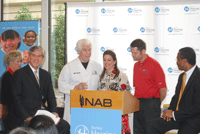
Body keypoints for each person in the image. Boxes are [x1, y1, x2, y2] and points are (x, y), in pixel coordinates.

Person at [11, 46, 70, 134]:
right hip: (28, 115)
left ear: (42, 58)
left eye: (39, 56)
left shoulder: (46, 74)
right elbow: (16, 98)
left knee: (64, 126)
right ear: (29, 57)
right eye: (34, 55)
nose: (36, 58)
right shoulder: (19, 74)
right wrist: (27, 117)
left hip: (44, 114)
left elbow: (50, 95)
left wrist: (54, 112)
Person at [146, 47, 200, 134]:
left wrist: (174, 114)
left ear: (185, 60)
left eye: (178, 59)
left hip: (193, 119)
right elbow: (176, 97)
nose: (176, 62)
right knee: (150, 125)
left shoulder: (198, 77)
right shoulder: (181, 76)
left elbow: (197, 107)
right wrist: (170, 110)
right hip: (177, 117)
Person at [58, 38, 102, 123]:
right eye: (85, 50)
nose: (88, 53)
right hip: (75, 108)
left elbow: (101, 86)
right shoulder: (69, 67)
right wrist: (75, 87)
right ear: (78, 51)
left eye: (89, 50)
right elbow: (61, 85)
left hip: (92, 107)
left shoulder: (97, 66)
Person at [130, 39, 167, 134]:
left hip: (151, 104)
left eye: (135, 53)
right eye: (132, 52)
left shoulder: (154, 65)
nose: (132, 55)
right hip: (138, 104)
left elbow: (163, 89)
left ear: (143, 51)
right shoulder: (136, 66)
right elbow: (137, 88)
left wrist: (155, 103)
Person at [98, 50, 131, 134]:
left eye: (109, 60)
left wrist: (114, 93)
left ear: (114, 62)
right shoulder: (101, 77)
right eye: (104, 60)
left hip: (119, 114)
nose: (106, 62)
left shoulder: (121, 76)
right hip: (104, 113)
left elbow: (127, 95)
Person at [1, 50, 22, 132]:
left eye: (20, 61)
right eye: (18, 61)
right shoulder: (8, 77)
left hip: (13, 113)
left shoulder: (13, 75)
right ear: (10, 62)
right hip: (11, 114)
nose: (20, 64)